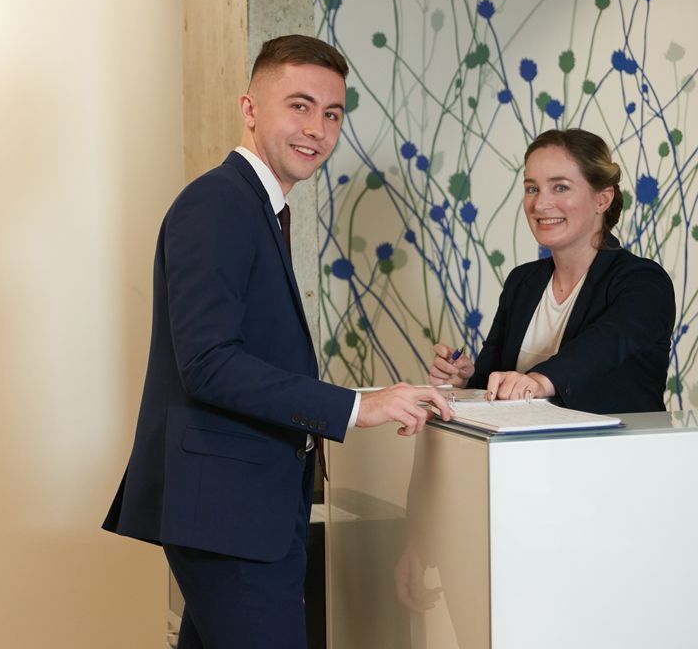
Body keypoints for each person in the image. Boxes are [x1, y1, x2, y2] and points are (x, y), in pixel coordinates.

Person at [103, 35, 454, 648]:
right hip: (228, 516)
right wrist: (355, 405)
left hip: (243, 511)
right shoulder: (217, 204)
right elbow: (208, 363)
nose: (316, 128)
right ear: (250, 109)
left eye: (332, 113)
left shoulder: (257, 209)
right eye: (299, 105)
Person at [429, 128, 675, 413]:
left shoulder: (643, 282)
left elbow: (598, 351)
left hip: (616, 454)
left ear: (602, 199)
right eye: (532, 188)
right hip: (528, 454)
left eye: (560, 187)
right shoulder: (522, 282)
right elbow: (493, 384)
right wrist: (465, 378)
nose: (541, 204)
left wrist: (537, 381)